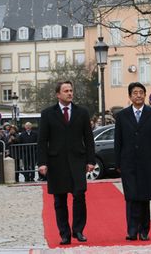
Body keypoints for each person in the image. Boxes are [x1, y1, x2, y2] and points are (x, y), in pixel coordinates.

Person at [37, 80, 95, 245]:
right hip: (56, 163)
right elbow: (42, 140)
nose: (70, 93)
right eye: (66, 91)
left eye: (71, 90)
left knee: (79, 195)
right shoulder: (48, 113)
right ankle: (64, 234)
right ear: (58, 94)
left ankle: (78, 230)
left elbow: (89, 138)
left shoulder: (82, 112)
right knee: (59, 200)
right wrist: (42, 163)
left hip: (78, 160)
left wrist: (91, 160)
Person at [114, 82, 151, 241]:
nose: (138, 95)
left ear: (144, 95)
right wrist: (118, 163)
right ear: (130, 96)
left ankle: (144, 230)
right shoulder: (122, 116)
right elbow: (118, 141)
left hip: (148, 161)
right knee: (131, 197)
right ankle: (131, 230)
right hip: (128, 161)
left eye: (141, 92)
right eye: (135, 93)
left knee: (144, 196)